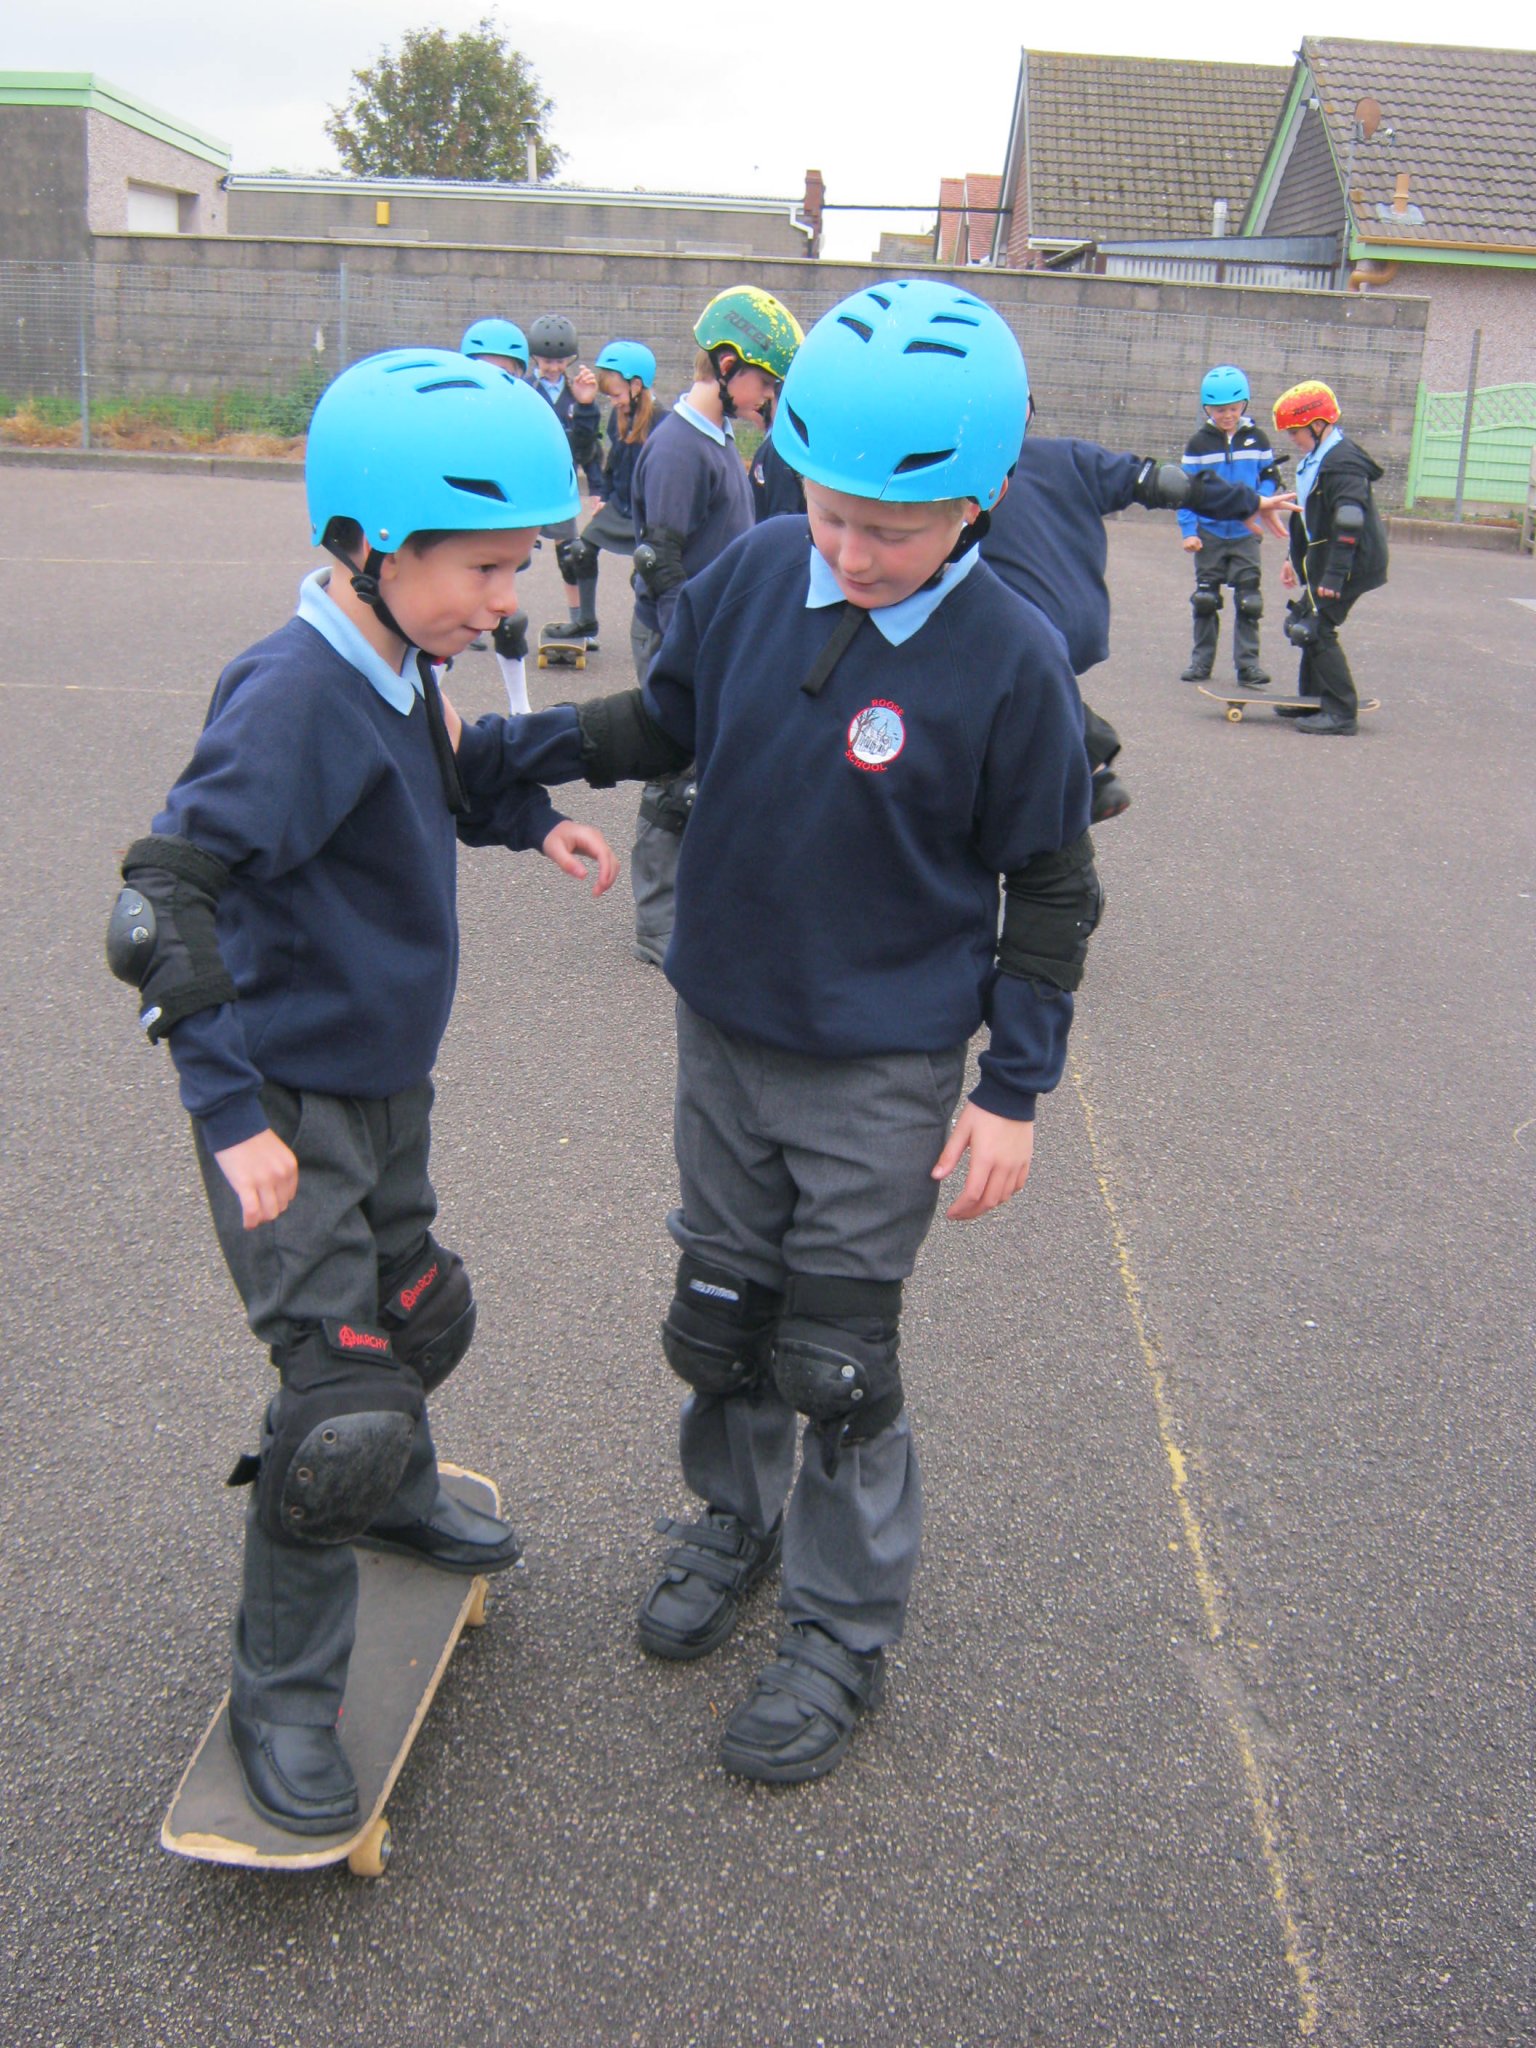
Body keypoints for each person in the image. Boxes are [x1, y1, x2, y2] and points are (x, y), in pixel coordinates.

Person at [554, 278, 1102, 1782]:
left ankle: (841, 1631)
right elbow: (665, 719)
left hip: (881, 1066)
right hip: (725, 1029)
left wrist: (1015, 1089)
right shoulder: (759, 569)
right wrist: (512, 753)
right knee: (723, 1312)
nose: (850, 553)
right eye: (829, 509)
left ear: (979, 500)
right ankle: (731, 1522)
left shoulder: (1012, 663)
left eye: (894, 530)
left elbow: (1050, 888)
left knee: (838, 1361)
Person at [106, 347, 616, 1836]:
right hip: (288, 1109)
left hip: (386, 1086)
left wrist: (531, 823)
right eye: (480, 570)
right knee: (334, 1411)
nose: (503, 601)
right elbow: (162, 902)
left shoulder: (400, 658)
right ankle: (283, 1692)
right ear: (367, 546)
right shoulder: (286, 695)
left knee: (418, 1317)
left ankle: (397, 1494)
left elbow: (439, 777)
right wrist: (229, 1117)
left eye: (516, 569)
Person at [984, 412, 1294, 817]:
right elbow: (1163, 481)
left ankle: (1085, 755)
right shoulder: (1069, 457)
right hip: (1075, 622)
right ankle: (1088, 771)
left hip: (1010, 634)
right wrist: (1245, 501)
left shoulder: (944, 468)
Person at [626, 285, 802, 966]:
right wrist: (684, 652)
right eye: (762, 380)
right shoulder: (677, 448)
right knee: (674, 777)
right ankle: (656, 925)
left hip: (714, 636)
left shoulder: (719, 438)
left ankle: (696, 902)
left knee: (715, 772)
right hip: (678, 638)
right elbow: (658, 563)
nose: (765, 396)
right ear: (726, 366)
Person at [1273, 380, 1389, 736]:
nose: (1292, 438)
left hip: (1351, 563)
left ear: (1319, 425)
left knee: (1316, 628)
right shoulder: (1316, 458)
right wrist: (1293, 558)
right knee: (1303, 621)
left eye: (1296, 431)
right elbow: (1308, 516)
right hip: (1328, 560)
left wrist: (1334, 577)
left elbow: (1349, 521)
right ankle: (1311, 699)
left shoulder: (1343, 464)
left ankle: (1341, 712)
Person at [552, 340, 660, 684]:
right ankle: (586, 620)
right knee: (580, 551)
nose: (613, 401)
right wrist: (603, 494)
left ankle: (657, 633)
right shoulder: (618, 417)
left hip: (649, 513)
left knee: (646, 573)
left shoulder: (662, 423)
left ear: (637, 385)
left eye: (616, 394)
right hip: (620, 505)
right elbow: (612, 462)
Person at [1178, 365, 1284, 685]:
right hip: (1209, 532)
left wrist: (1258, 502)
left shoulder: (1257, 439)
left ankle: (1248, 665)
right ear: (1207, 409)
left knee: (1249, 600)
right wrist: (1188, 531)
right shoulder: (1198, 444)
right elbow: (1184, 490)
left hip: (1244, 534)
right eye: (1220, 410)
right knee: (1206, 598)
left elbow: (1269, 476)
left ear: (1244, 406)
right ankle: (1201, 662)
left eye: (1234, 409)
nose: (1228, 415)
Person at [461, 317, 535, 708]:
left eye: (504, 372)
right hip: (462, 533)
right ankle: (426, 705)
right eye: (481, 368)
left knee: (509, 622)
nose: (492, 379)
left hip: (506, 531)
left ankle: (520, 709)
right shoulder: (453, 416)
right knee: (449, 621)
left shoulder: (523, 421)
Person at [526, 314, 606, 653]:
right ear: (534, 359)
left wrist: (599, 487)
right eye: (546, 361)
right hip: (526, 485)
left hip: (560, 486)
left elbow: (589, 446)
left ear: (570, 359)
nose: (553, 367)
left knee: (570, 557)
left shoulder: (577, 395)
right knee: (504, 555)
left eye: (560, 361)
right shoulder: (525, 390)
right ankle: (491, 619)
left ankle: (579, 622)